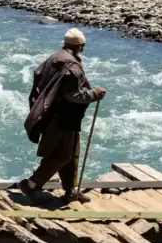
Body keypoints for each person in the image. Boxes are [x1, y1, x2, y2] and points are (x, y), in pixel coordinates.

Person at [19, 28, 106, 203]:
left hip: (53, 113)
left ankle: (70, 190)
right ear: (80, 46)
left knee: (72, 153)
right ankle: (31, 184)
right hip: (62, 117)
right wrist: (94, 95)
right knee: (61, 155)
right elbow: (74, 95)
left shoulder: (55, 57)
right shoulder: (72, 66)